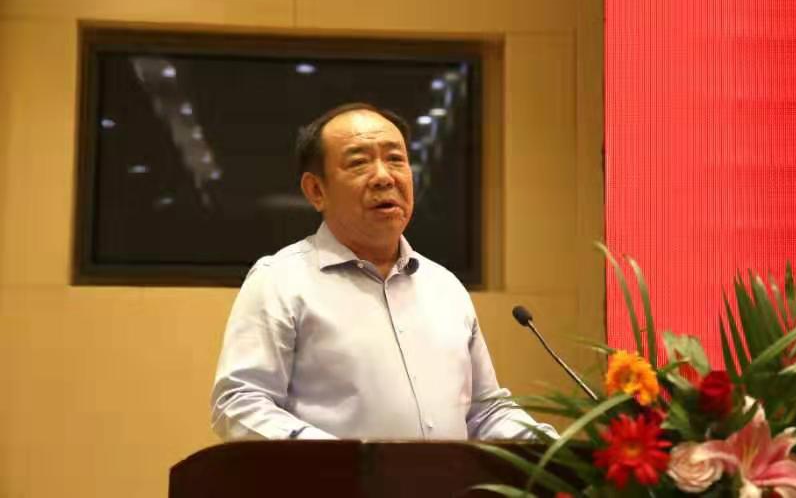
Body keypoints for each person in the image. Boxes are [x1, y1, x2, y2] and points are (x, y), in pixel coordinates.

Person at [210, 102, 557, 441]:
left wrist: (557, 451)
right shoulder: (280, 281)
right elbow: (240, 404)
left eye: (395, 159)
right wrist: (341, 462)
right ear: (316, 191)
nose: (383, 177)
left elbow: (484, 412)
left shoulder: (445, 287)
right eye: (359, 163)